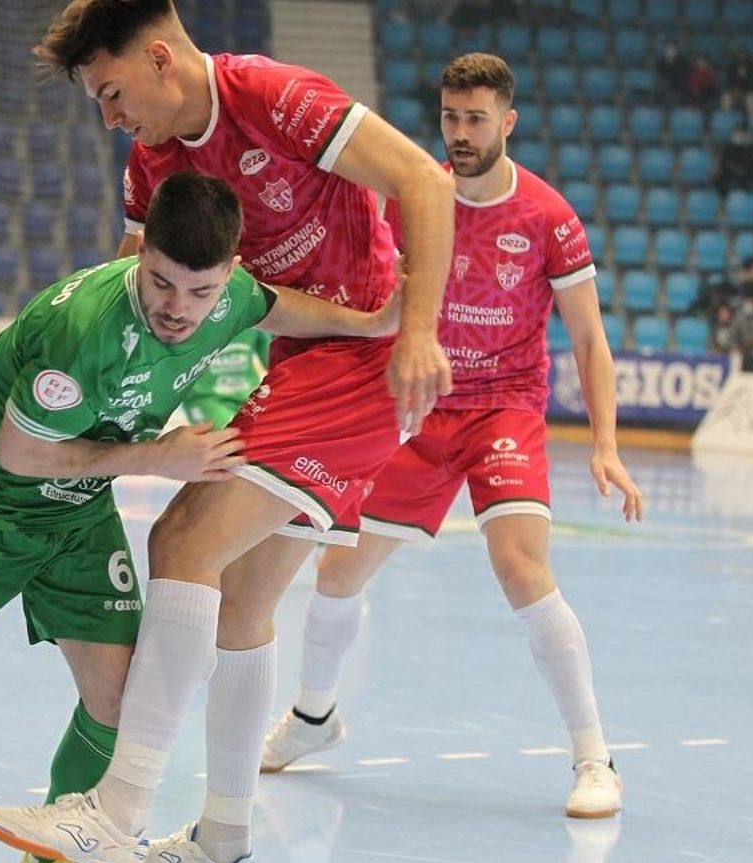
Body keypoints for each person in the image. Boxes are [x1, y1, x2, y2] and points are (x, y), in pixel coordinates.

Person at [0, 172, 398, 863]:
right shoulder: (82, 332)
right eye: (163, 284)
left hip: (74, 512)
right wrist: (160, 457)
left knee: (119, 702)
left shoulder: (228, 297)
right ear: (142, 255)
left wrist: (374, 324)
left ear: (227, 274)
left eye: (200, 293)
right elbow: (22, 453)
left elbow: (276, 308)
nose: (179, 309)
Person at [0, 2, 456, 863]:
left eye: (114, 92)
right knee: (239, 606)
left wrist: (420, 331)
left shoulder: (272, 96)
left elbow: (424, 182)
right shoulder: (153, 159)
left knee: (183, 542)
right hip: (300, 358)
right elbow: (135, 294)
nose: (111, 116)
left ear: (161, 58)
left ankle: (118, 811)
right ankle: (224, 844)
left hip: (364, 358)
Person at [252, 51, 642, 823]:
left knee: (520, 564)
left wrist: (605, 444)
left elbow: (591, 342)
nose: (461, 133)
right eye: (451, 118)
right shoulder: (409, 198)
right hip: (416, 406)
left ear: (508, 121)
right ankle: (315, 717)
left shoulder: (548, 217)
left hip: (504, 408)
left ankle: (595, 756)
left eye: (476, 119)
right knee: (336, 573)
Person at [179, 327, 270, 428]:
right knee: (232, 439)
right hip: (206, 399)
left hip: (250, 398)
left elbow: (273, 362)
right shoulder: (192, 322)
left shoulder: (254, 319)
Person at [715, 124, 753, 194]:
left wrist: (743, 171)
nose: (741, 136)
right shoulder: (727, 149)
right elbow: (724, 164)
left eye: (743, 134)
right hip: (730, 176)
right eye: (738, 133)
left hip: (747, 178)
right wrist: (735, 169)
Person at [722, 49, 753, 117]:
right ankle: (727, 119)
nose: (742, 60)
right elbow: (728, 84)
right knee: (726, 97)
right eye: (740, 58)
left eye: (744, 58)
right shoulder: (732, 68)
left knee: (750, 98)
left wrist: (744, 76)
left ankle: (752, 121)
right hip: (738, 94)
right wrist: (733, 90)